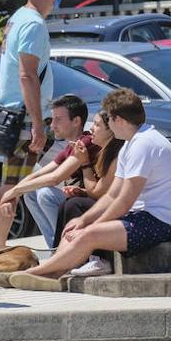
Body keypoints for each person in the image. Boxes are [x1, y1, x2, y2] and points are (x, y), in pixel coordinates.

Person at [0, 88, 171, 290]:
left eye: (110, 120)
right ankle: (52, 272)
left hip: (160, 223)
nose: (108, 125)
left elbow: (123, 201)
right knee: (75, 225)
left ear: (119, 120)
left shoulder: (143, 144)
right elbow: (112, 195)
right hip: (141, 217)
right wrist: (83, 220)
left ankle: (37, 274)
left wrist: (90, 226)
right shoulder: (131, 144)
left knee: (88, 235)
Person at [0, 0, 61, 246]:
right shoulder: (33, 23)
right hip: (26, 120)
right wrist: (37, 125)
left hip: (15, 115)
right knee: (13, 188)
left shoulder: (18, 17)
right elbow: (27, 75)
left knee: (26, 183)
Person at [0, 94, 91, 246]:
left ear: (76, 121)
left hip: (93, 202)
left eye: (58, 119)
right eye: (52, 119)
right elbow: (39, 174)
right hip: (77, 201)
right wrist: (12, 194)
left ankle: (68, 246)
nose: (52, 125)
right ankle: (55, 247)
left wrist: (13, 192)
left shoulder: (85, 143)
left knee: (46, 194)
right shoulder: (69, 146)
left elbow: (55, 178)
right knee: (32, 193)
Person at [50, 108, 124, 269]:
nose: (91, 129)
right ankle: (59, 255)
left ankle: (92, 258)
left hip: (123, 212)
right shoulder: (104, 151)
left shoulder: (115, 155)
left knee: (74, 204)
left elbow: (97, 193)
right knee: (68, 203)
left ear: (110, 131)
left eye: (97, 125)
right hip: (110, 204)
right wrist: (82, 191)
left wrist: (85, 162)